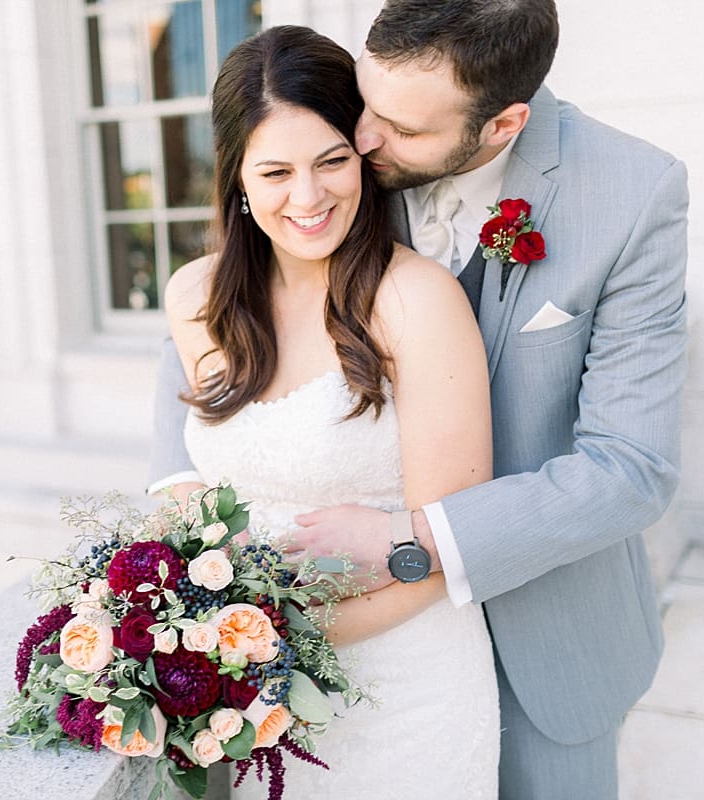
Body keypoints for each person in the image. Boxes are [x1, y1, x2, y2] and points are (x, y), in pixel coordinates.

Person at [151, 2, 690, 798]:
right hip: (320, 663)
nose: (364, 140)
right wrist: (183, 533)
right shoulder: (333, 159)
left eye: (396, 128)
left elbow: (631, 467)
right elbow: (206, 362)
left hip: (544, 631)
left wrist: (410, 541)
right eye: (364, 103)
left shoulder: (630, 194)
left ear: (501, 125)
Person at [164, 24, 500, 798]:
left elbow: (456, 542)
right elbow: (195, 488)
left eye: (332, 161)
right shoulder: (194, 300)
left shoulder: (416, 299)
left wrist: (253, 638)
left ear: (364, 156)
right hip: (262, 713)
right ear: (238, 180)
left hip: (409, 693)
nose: (309, 197)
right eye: (276, 171)